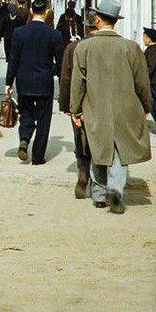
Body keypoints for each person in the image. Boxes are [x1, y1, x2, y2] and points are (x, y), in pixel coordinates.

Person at [70, 0, 151, 214]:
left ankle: (99, 195)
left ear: (97, 19)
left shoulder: (84, 47)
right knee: (119, 152)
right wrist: (146, 106)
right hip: (125, 107)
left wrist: (75, 110)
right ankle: (115, 192)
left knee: (98, 149)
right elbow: (142, 82)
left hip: (94, 107)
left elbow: (78, 83)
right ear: (115, 21)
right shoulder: (131, 47)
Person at [5, 0, 64, 165]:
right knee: (44, 119)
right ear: (47, 12)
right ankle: (38, 157)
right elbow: (60, 63)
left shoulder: (19, 32)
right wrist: (57, 78)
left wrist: (9, 83)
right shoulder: (54, 35)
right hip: (44, 82)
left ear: (31, 11)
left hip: (23, 81)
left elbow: (13, 60)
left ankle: (24, 138)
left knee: (26, 113)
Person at [59, 10, 99, 198]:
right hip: (104, 102)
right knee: (103, 140)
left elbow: (66, 78)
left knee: (81, 138)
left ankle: (83, 174)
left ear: (85, 27)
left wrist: (66, 105)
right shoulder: (116, 45)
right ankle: (100, 180)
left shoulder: (73, 47)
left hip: (80, 102)